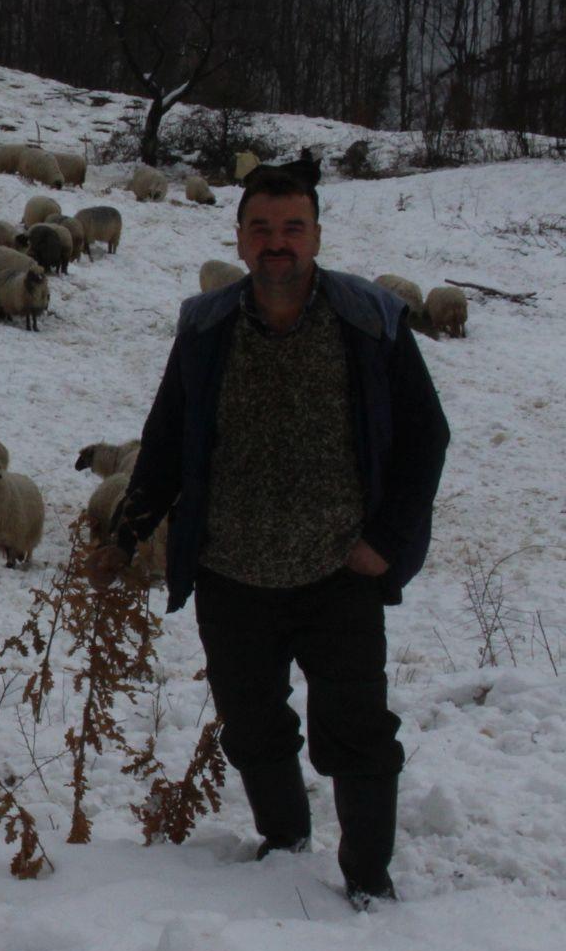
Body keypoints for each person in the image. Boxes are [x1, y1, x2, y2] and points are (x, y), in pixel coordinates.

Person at [87, 168, 449, 909]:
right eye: (261, 229)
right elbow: (163, 442)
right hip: (231, 571)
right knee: (253, 725)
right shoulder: (206, 327)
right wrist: (125, 536)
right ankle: (284, 845)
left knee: (357, 731)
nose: (276, 244)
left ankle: (369, 880)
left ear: (315, 236)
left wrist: (383, 542)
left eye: (292, 229)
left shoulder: (370, 321)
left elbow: (425, 437)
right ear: (240, 238)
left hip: (337, 569)